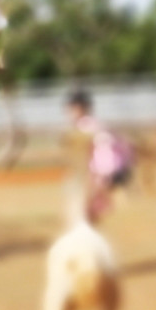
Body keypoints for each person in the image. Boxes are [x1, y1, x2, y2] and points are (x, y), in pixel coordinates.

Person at [62, 89, 133, 223]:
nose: (71, 111)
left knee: (86, 212)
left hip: (97, 175)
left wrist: (102, 175)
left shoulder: (88, 127)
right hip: (91, 175)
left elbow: (104, 150)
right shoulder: (84, 127)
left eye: (73, 107)